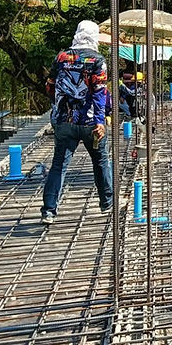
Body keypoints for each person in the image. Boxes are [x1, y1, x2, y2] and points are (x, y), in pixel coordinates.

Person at [42, 20, 112, 225]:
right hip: (90, 122)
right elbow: (100, 93)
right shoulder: (97, 60)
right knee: (100, 162)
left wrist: (58, 108)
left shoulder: (61, 57)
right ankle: (107, 203)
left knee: (58, 166)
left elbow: (50, 86)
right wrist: (100, 121)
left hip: (64, 121)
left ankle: (49, 210)